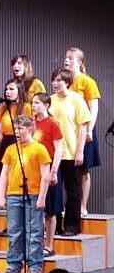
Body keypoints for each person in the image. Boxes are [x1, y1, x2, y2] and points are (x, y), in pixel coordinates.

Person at [0, 115, 51, 273]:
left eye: (20, 128)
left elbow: (45, 175)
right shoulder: (11, 149)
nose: (16, 132)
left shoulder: (39, 149)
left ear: (30, 129)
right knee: (14, 232)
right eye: (15, 128)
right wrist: (2, 196)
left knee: (34, 233)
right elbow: (4, 173)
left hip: (33, 195)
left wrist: (42, 197)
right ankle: (14, 265)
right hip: (13, 195)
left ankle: (34, 267)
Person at [49, 68, 91, 236]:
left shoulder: (76, 99)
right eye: (54, 80)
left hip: (71, 151)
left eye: (59, 80)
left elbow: (82, 126)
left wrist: (80, 151)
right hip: (53, 153)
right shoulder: (50, 100)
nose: (55, 83)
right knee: (55, 189)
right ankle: (55, 225)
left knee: (72, 190)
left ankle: (72, 225)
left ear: (67, 82)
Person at [65, 47, 101, 216]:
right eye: (66, 58)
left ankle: (82, 206)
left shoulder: (87, 81)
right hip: (69, 131)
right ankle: (71, 206)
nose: (66, 60)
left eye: (70, 58)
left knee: (83, 169)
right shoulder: (66, 81)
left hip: (84, 129)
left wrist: (89, 130)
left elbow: (94, 107)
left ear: (79, 62)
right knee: (69, 169)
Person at [31, 92, 64, 256]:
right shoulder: (31, 123)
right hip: (34, 167)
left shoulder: (52, 123)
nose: (33, 105)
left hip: (49, 165)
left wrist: (54, 171)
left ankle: (49, 245)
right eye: (32, 102)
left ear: (46, 105)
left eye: (37, 103)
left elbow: (59, 149)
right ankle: (36, 244)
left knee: (50, 210)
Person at [0, 79, 31, 163]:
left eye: (11, 89)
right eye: (6, 89)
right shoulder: (3, 107)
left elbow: (30, 129)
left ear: (19, 91)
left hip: (20, 141)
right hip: (5, 142)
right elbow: (0, 132)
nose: (8, 92)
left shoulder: (26, 107)